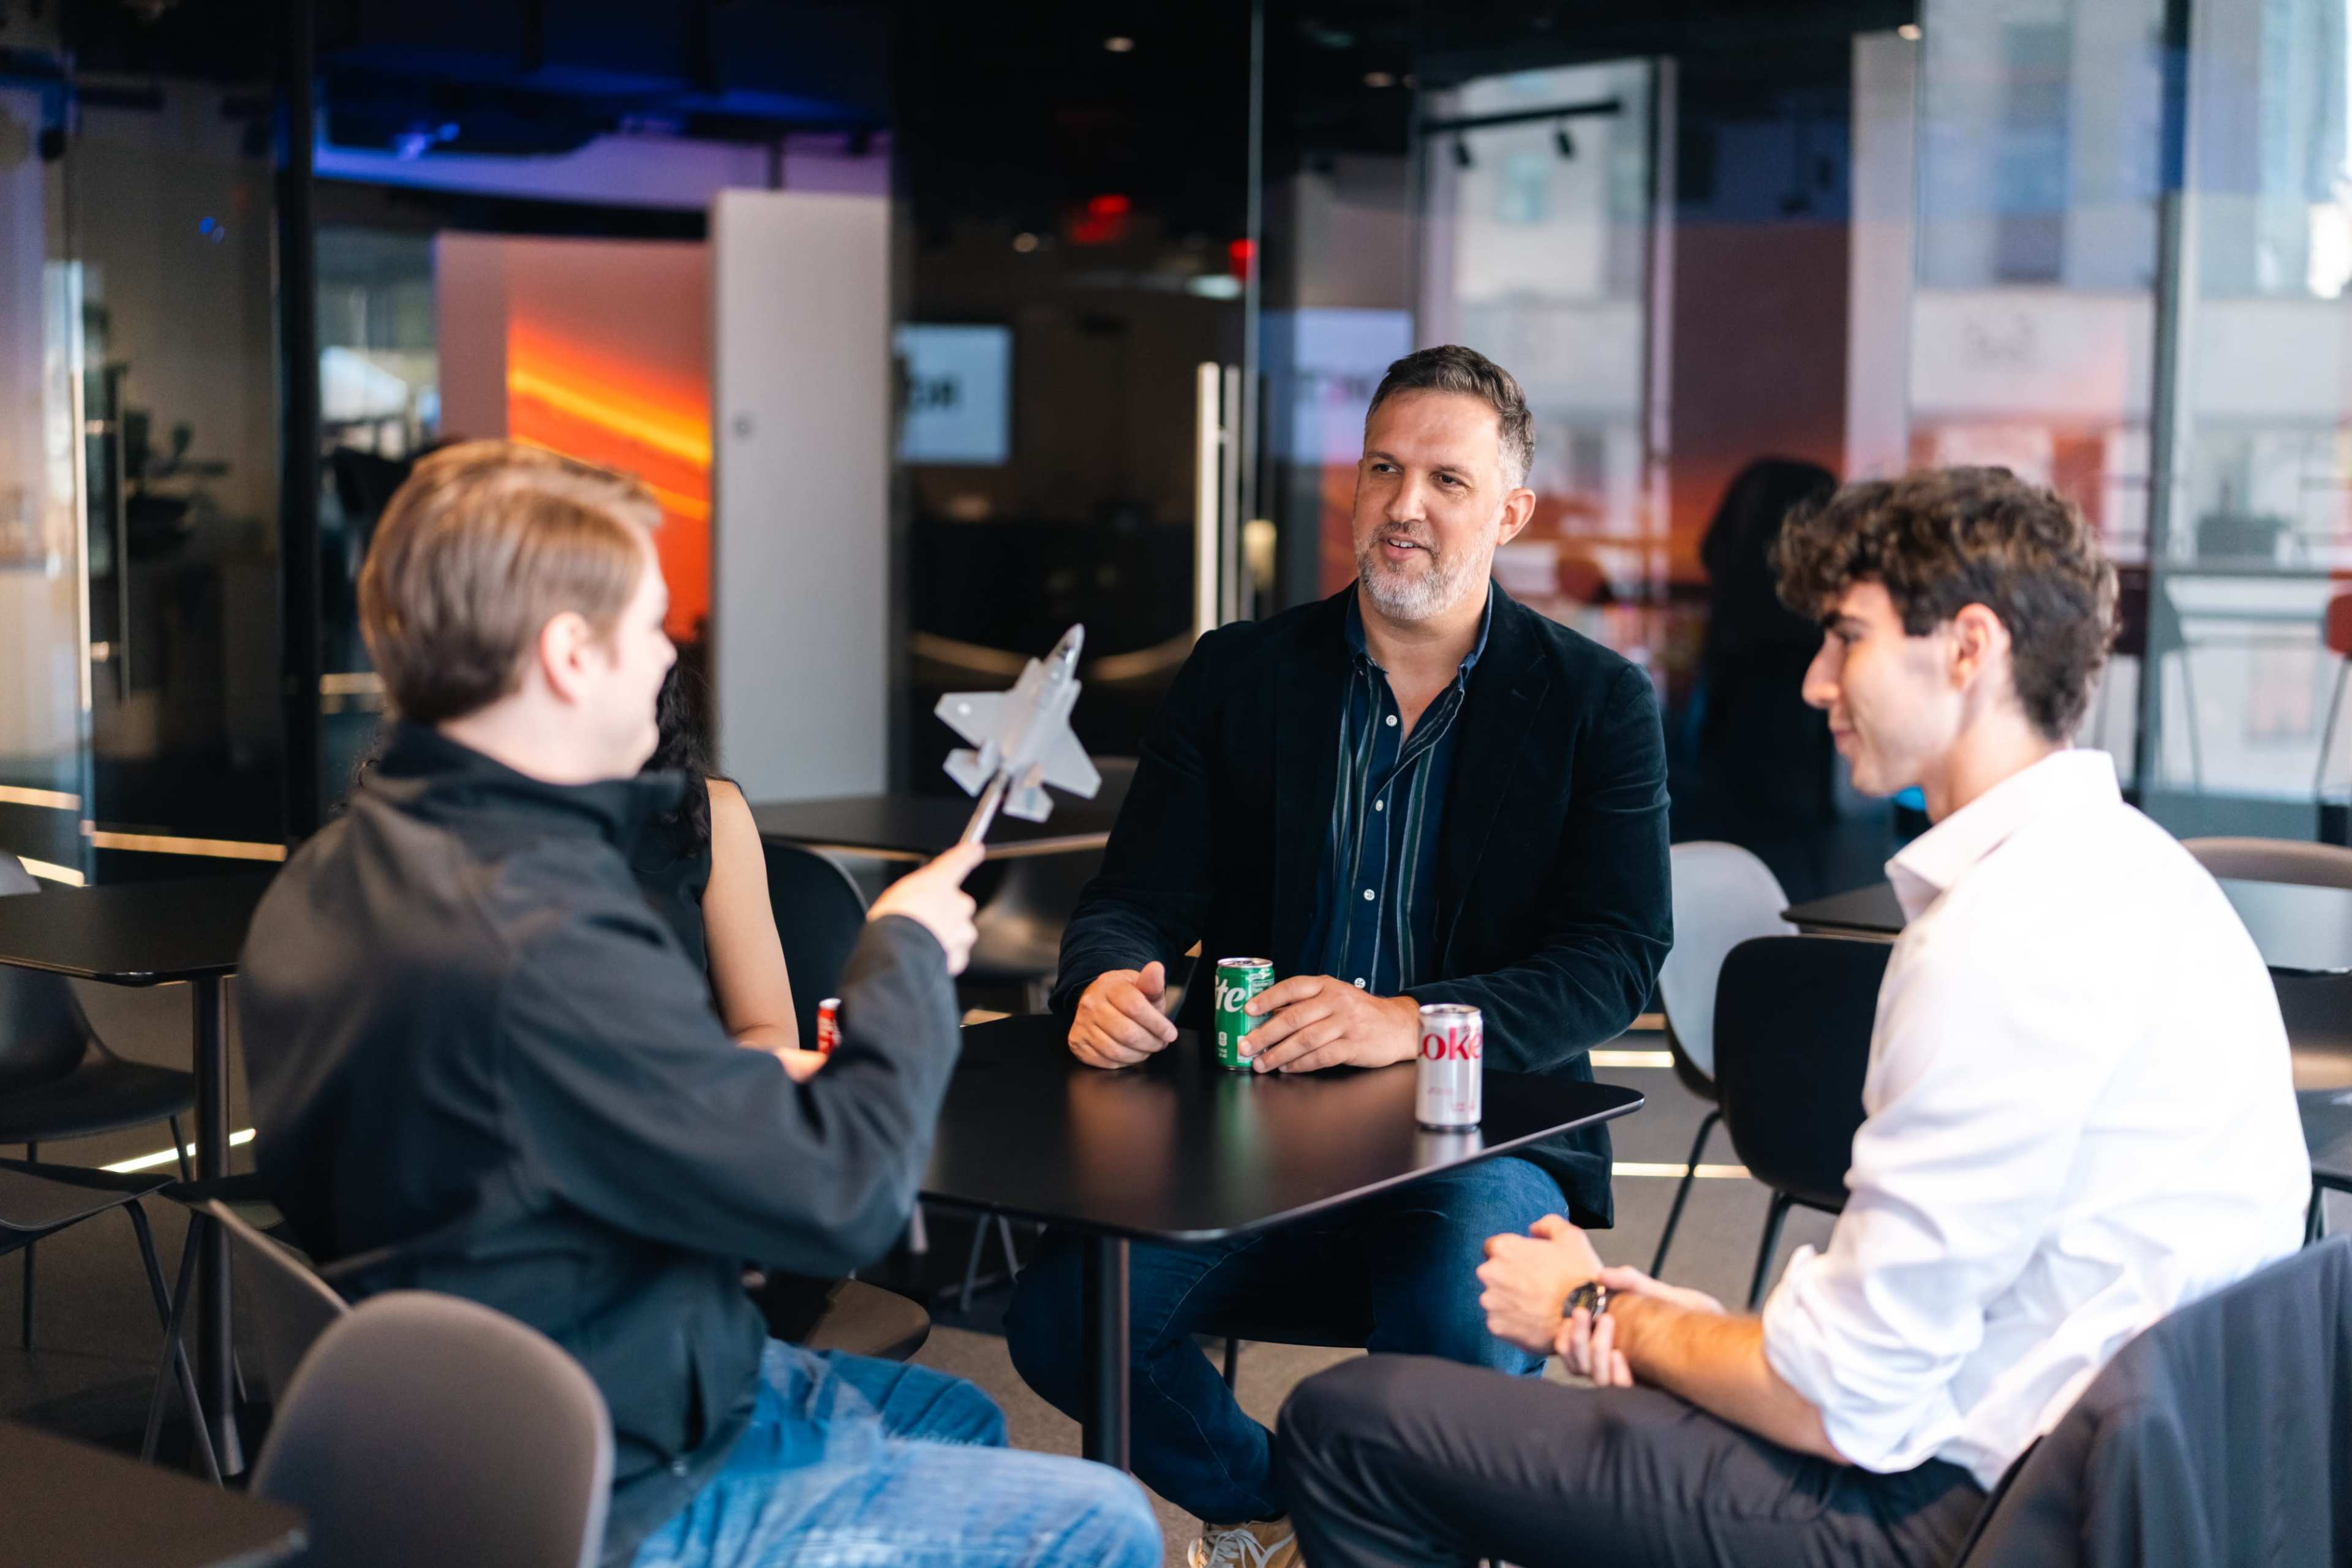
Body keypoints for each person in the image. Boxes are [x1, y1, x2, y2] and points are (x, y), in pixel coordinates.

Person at [1275, 465, 2312, 1568]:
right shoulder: (2139, 872)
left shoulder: (2002, 935)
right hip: (2101, 1472)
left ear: (1970, 649)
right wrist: (1676, 1324)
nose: (1816, 682)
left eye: (1848, 638)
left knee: (1347, 1427)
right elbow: (1941, 1312)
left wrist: (1595, 1306)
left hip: (1963, 1514)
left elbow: (1845, 1405)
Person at [239, 441, 1159, 1568]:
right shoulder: (546, 936)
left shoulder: (323, 883)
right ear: (571, 654)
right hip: (597, 1471)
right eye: (652, 625)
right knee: (1101, 1520)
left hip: (448, 1427)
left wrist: (724, 1087)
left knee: (956, 1417)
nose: (670, 655)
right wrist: (906, 954)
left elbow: (532, 1130)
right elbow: (845, 1206)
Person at [1005, 345, 1674, 1567]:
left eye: (1447, 479)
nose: (1405, 504)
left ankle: (1375, 1538)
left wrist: (1406, 1018)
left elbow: (1616, 958)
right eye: (1382, 466)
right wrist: (1106, 976)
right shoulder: (1239, 676)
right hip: (1247, 1127)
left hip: (1481, 1134)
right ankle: (1283, 1509)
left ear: (1512, 511)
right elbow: (1133, 900)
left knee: (1450, 1315)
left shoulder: (1596, 702)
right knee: (1060, 1319)